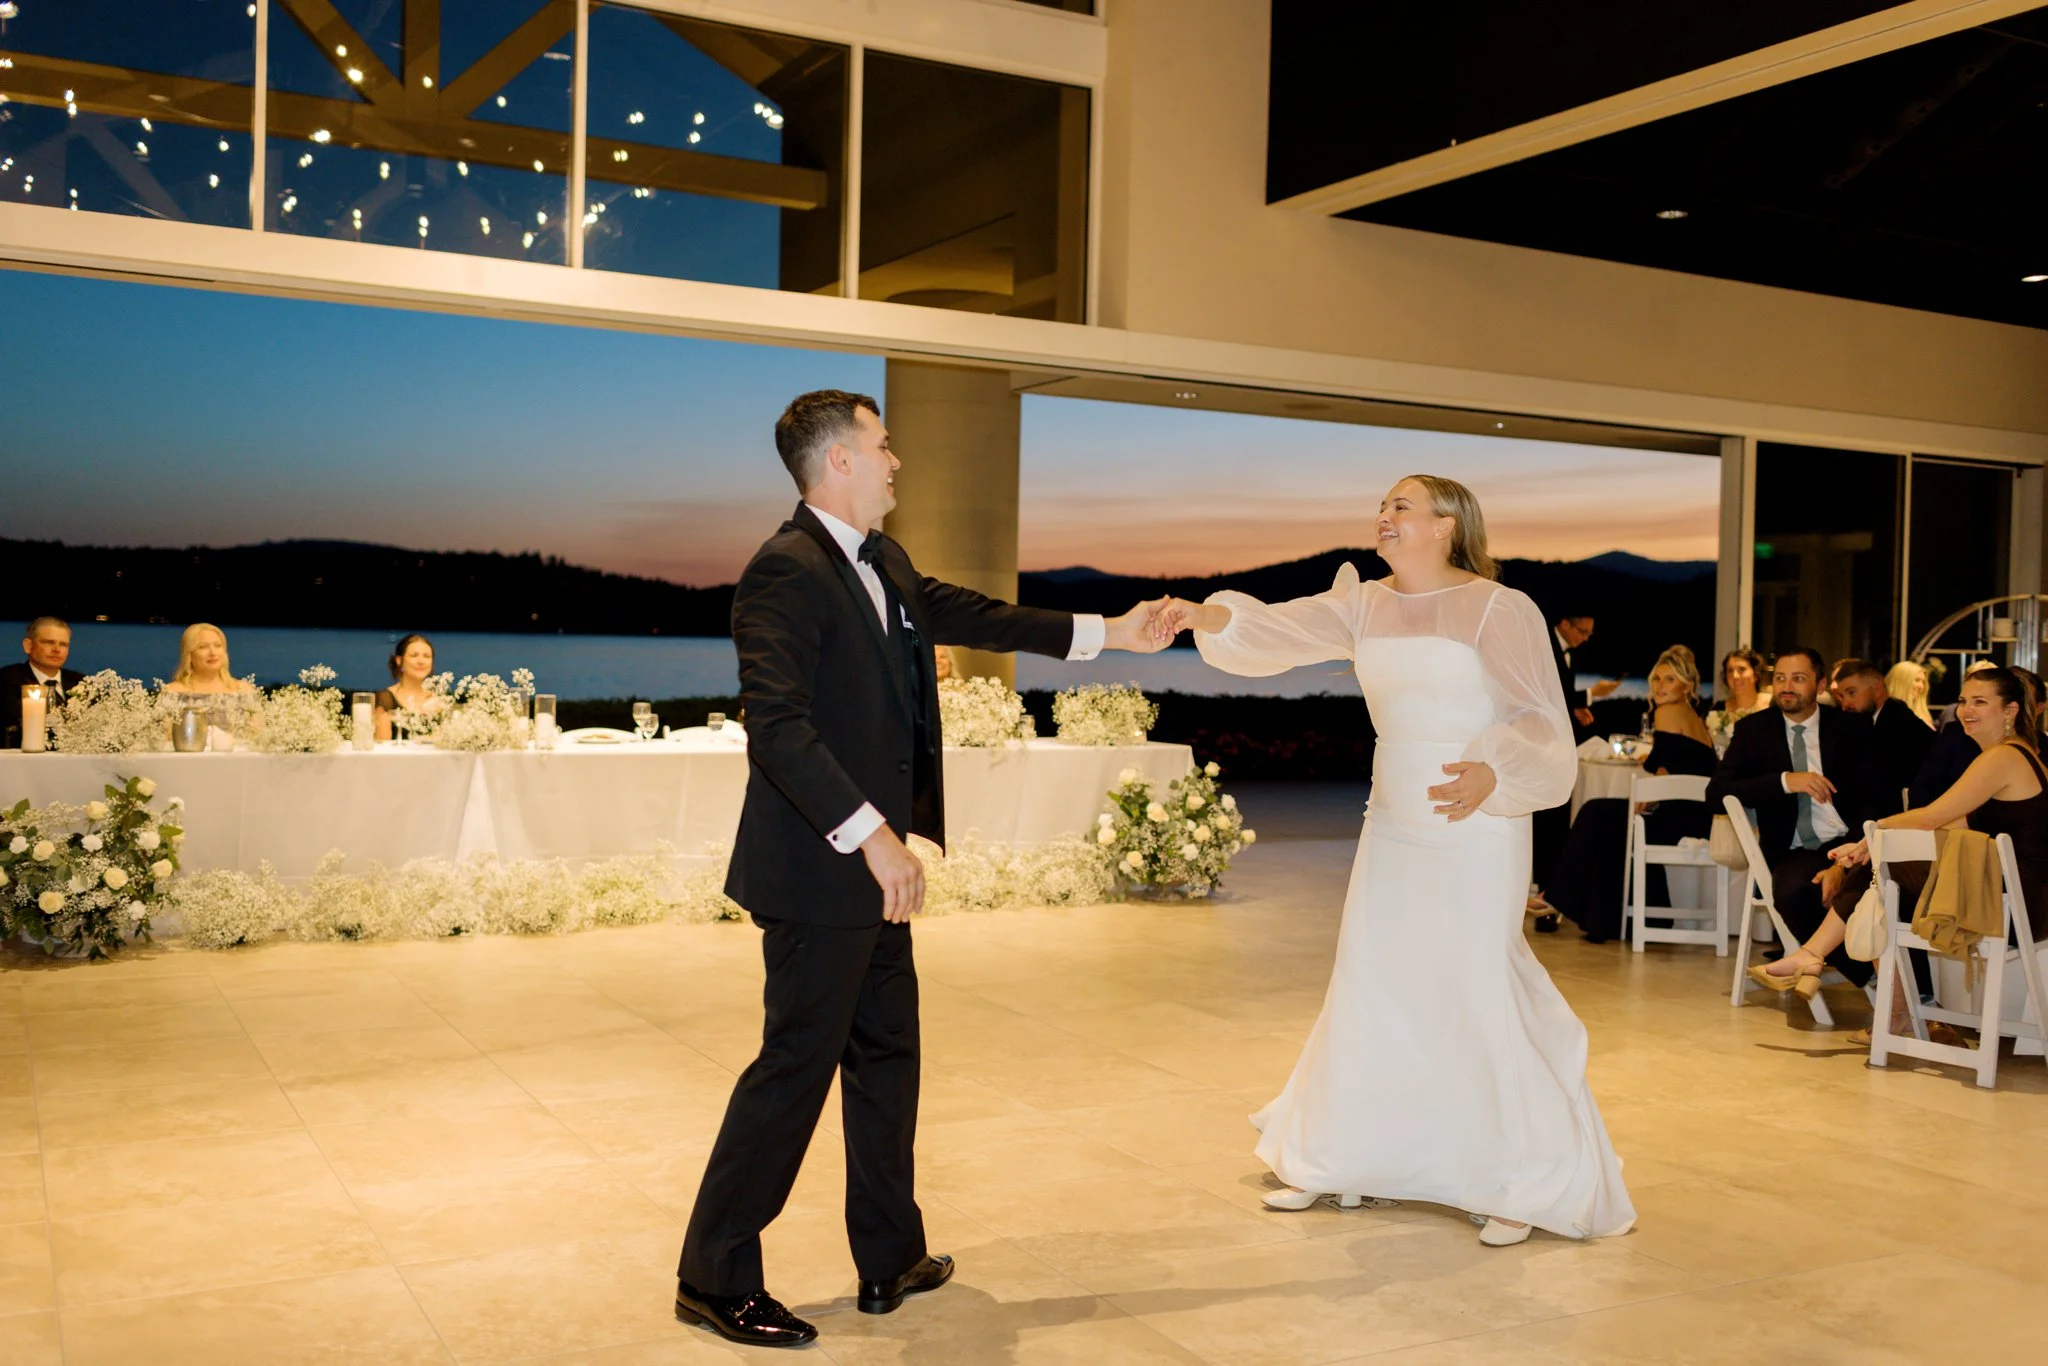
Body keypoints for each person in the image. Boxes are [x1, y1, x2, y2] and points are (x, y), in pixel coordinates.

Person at [673, 390, 1170, 1349]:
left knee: (887, 1058)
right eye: (884, 444)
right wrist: (875, 836)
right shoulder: (781, 571)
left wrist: (1113, 630)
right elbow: (776, 726)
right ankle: (713, 1272)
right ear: (839, 462)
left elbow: (975, 614)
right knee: (794, 1070)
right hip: (822, 874)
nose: (898, 461)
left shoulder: (885, 559)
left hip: (874, 875)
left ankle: (889, 1257)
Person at [1157, 474, 1634, 1249]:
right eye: (1383, 506)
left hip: (1478, 819)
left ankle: (1514, 1179)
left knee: (1472, 982)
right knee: (1374, 976)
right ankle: (1344, 1159)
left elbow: (1540, 719)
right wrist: (1197, 614)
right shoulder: (1365, 603)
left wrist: (1495, 770)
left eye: (1401, 506)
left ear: (1447, 524)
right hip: (1394, 822)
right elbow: (1278, 631)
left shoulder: (1499, 608)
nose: (1384, 516)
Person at [1778, 668, 2048, 1002]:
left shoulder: (2002, 757)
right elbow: (1953, 825)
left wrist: (1875, 835)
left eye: (1980, 702)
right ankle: (1896, 1004)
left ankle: (1821, 958)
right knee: (1881, 883)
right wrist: (1870, 843)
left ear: (2010, 711)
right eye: (1964, 701)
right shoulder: (2015, 754)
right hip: (2013, 896)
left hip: (2015, 905)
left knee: (1882, 876)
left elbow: (1932, 816)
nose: (1967, 710)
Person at [1707, 646, 1879, 994]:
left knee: (1883, 888)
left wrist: (1844, 863)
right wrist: (1787, 781)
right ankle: (1871, 976)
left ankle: (1831, 963)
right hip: (1793, 849)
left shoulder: (1851, 729)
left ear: (1819, 684)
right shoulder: (1755, 730)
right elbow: (1717, 792)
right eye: (1780, 678)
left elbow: (1877, 796)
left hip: (1849, 841)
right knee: (1793, 891)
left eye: (1798, 679)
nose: (1787, 686)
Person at [1544, 646, 1718, 943]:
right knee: (1610, 821)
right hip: (1696, 816)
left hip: (1679, 819)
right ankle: (1604, 921)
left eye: (1670, 679)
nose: (1660, 686)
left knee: (1596, 812)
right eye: (1657, 679)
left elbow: (1663, 772)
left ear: (1687, 685)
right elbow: (1678, 767)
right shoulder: (1695, 719)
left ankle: (1557, 897)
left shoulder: (1666, 712)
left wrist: (1645, 800)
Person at [1530, 613, 1617, 924]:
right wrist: (1594, 695)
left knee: (1555, 818)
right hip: (1538, 744)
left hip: (1554, 741)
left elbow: (1560, 696)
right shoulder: (1545, 644)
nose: (1585, 637)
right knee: (1549, 817)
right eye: (1582, 630)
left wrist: (1576, 707)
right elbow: (1544, 694)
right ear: (1565, 623)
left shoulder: (1567, 652)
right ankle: (1546, 890)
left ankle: (1550, 890)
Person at [1831, 657, 1932, 817]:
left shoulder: (1900, 723)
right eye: (1842, 697)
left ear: (1877, 689)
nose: (1846, 703)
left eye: (1852, 693)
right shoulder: (1873, 720)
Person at [0, 616, 85, 749]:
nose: (57, 649)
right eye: (48, 642)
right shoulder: (6, 680)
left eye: (63, 644)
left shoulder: (82, 683)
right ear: (28, 646)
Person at [373, 633, 445, 741]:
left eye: (426, 656)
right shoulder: (386, 699)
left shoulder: (438, 701)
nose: (421, 661)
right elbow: (383, 748)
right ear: (399, 660)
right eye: (414, 655)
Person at [1705, 646, 1770, 756]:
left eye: (1742, 669)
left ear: (1756, 674)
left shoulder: (1772, 705)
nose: (1735, 676)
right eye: (1730, 671)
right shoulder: (1718, 709)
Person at [1886, 660, 1934, 727]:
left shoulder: (1921, 715)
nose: (1921, 686)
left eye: (1923, 682)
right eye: (1917, 680)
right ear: (1902, 681)